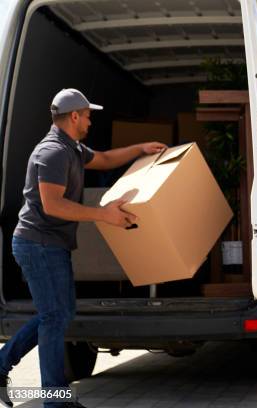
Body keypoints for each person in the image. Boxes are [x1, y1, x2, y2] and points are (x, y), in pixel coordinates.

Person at [0, 88, 166, 408]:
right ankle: (55, 400)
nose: (91, 120)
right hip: (37, 244)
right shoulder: (52, 152)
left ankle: (7, 366)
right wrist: (104, 215)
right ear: (74, 116)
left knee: (59, 315)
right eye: (88, 115)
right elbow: (52, 205)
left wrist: (140, 148)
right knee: (54, 318)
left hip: (51, 245)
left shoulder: (72, 148)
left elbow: (103, 159)